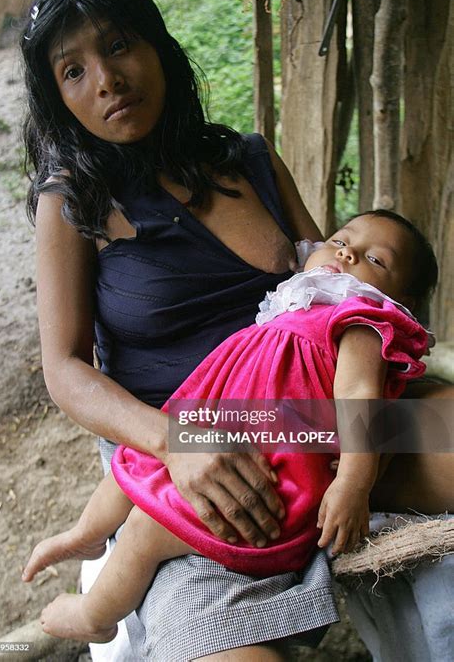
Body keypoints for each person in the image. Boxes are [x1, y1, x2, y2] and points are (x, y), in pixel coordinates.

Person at [19, 0, 452, 662]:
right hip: (194, 438)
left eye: (120, 44)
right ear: (59, 95)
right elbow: (65, 369)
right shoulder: (74, 202)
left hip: (318, 418)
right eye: (74, 71)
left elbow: (334, 286)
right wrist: (173, 442)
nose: (106, 79)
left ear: (158, 45)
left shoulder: (245, 159)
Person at [22, 209, 439, 643]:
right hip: (227, 428)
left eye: (376, 260)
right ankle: (85, 535)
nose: (348, 252)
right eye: (341, 239)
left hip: (272, 474)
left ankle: (95, 616)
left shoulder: (363, 323)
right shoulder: (299, 301)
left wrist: (354, 481)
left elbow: (359, 399)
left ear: (400, 303)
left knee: (146, 530)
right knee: (137, 455)